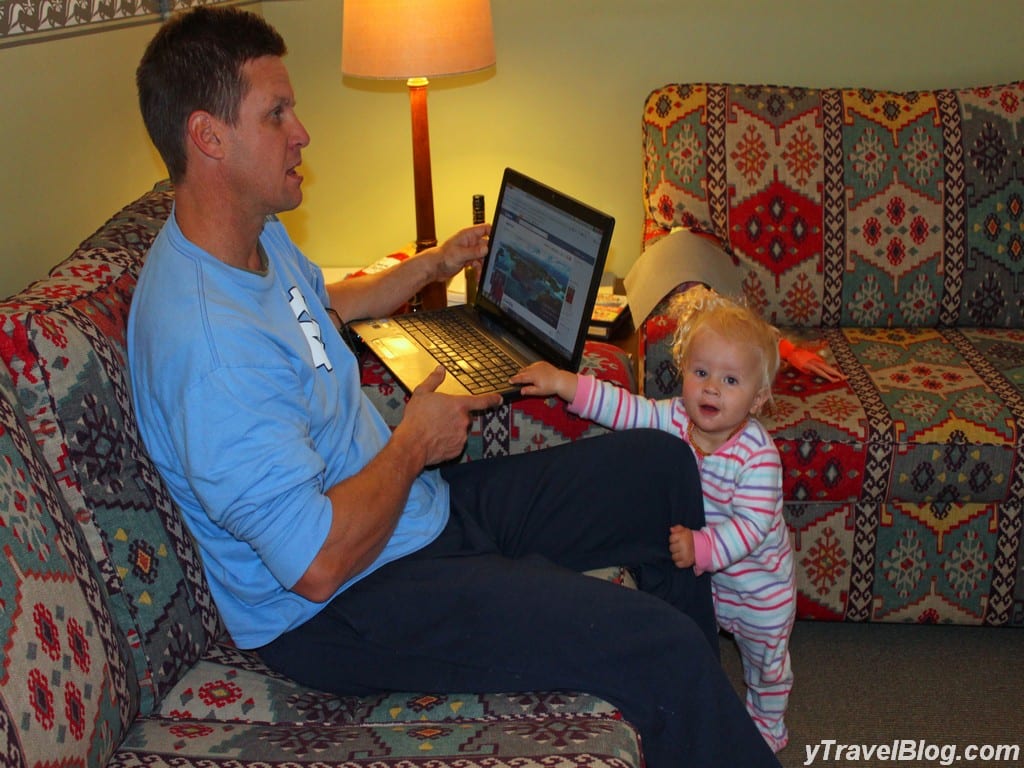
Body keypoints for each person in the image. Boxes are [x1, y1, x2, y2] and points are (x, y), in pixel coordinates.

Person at [126, 6, 781, 768]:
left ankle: (694, 716)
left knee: (660, 469)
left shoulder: (248, 236)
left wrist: (429, 267)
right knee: (653, 644)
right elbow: (316, 564)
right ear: (209, 137)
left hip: (412, 514)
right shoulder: (209, 350)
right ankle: (687, 690)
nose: (302, 131)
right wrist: (412, 445)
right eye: (277, 113)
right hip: (345, 604)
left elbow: (316, 310)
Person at [513, 286, 797, 752]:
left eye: (730, 381)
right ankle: (711, 703)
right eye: (701, 372)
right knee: (705, 650)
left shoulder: (758, 456)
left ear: (759, 398)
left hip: (760, 592)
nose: (710, 388)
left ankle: (768, 727)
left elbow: (753, 526)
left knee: (765, 667)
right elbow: (627, 410)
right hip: (711, 587)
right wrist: (566, 383)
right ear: (682, 371)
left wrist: (703, 547)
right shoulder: (676, 418)